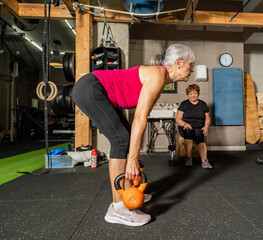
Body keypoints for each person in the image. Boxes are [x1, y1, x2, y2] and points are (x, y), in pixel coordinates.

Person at [72, 43, 195, 226]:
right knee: (121, 140)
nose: (191, 69)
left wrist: (133, 153)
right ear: (178, 62)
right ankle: (118, 208)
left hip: (95, 89)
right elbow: (140, 116)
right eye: (190, 64)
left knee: (126, 137)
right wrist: (132, 159)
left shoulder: (159, 77)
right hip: (90, 88)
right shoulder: (157, 76)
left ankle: (129, 193)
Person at [175, 84, 212, 169]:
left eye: (194, 93)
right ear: (188, 94)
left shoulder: (203, 104)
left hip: (199, 127)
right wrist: (185, 124)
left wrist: (206, 126)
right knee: (188, 130)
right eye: (191, 93)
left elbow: (207, 118)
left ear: (198, 93)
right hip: (185, 126)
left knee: (199, 133)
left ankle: (204, 161)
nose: (193, 95)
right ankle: (189, 158)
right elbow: (178, 119)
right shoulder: (184, 104)